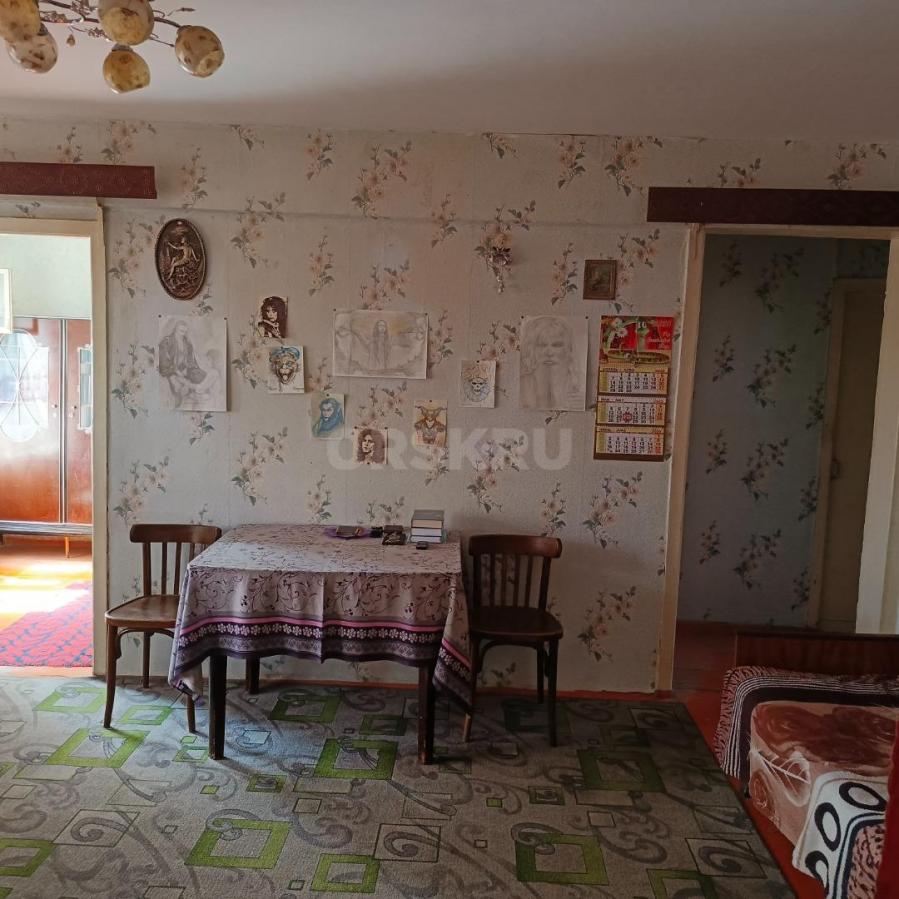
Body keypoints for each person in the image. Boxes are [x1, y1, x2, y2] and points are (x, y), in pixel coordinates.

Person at [519, 316, 583, 411]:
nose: (549, 353)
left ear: (567, 349)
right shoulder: (522, 384)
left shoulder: (577, 383)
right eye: (542, 345)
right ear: (531, 349)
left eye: (556, 345)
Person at [158, 319, 205, 407]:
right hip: (170, 369)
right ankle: (193, 387)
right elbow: (163, 361)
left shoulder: (187, 343)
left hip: (183, 368)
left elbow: (191, 360)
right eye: (181, 331)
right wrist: (176, 370)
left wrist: (187, 369)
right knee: (177, 385)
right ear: (175, 329)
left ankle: (194, 389)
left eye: (185, 332)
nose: (183, 334)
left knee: (200, 375)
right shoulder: (166, 341)